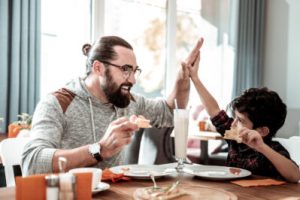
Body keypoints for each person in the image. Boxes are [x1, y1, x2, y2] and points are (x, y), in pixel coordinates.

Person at [22, 36, 204, 175]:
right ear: (98, 68)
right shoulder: (58, 102)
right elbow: (32, 162)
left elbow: (169, 112)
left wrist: (183, 77)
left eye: (134, 71)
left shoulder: (127, 100)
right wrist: (99, 149)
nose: (132, 79)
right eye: (125, 70)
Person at [187, 39, 300, 182]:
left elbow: (295, 175)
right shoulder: (235, 138)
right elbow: (214, 110)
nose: (233, 124)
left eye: (240, 120)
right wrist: (195, 78)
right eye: (235, 117)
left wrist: (262, 148)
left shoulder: (272, 149)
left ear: (262, 131)